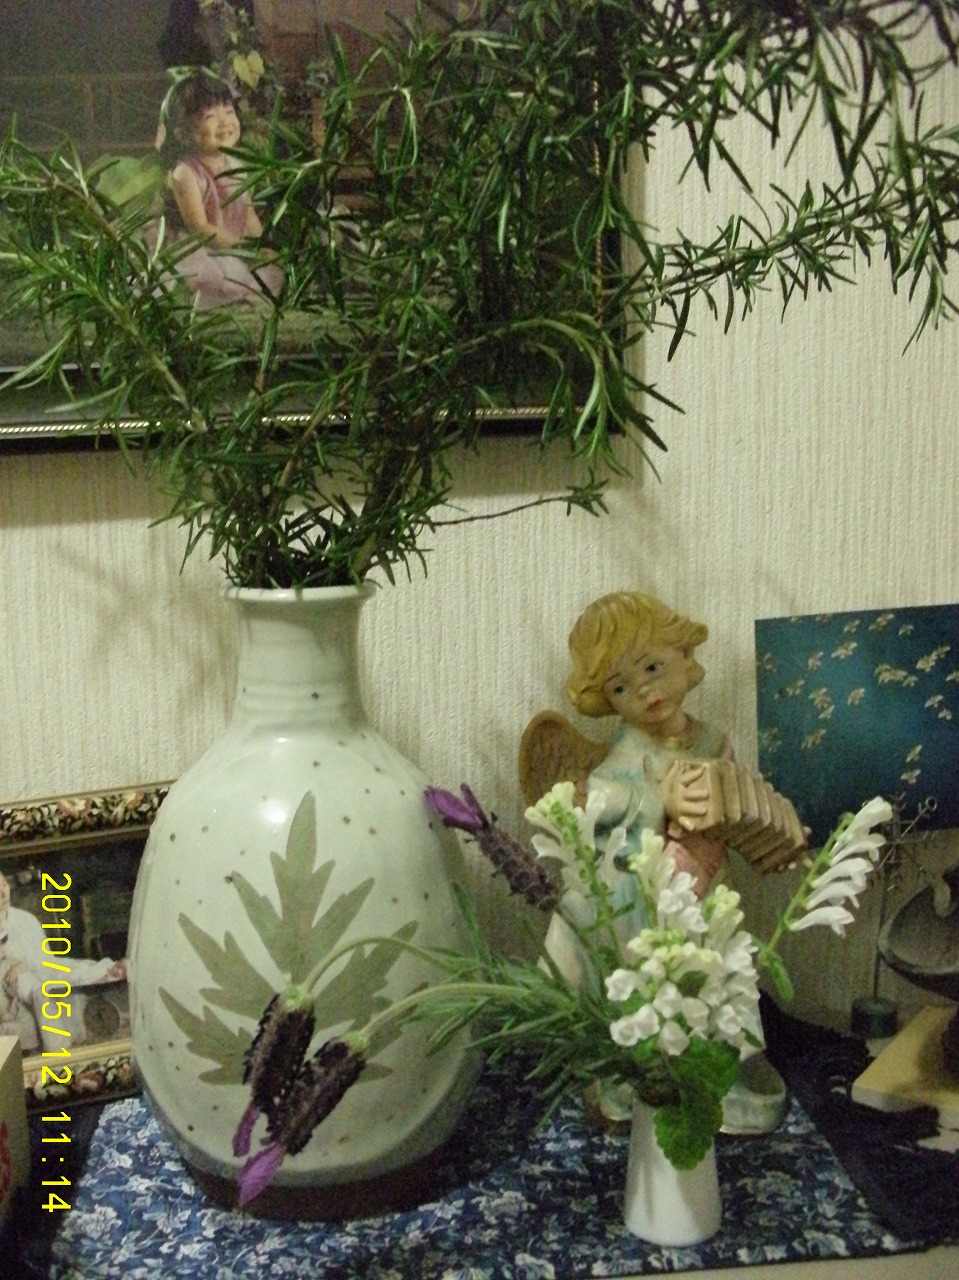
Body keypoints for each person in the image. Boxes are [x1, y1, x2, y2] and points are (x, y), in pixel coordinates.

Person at [566, 591, 733, 901]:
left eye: (652, 668)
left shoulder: (713, 740)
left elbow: (736, 811)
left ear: (685, 654)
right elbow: (602, 805)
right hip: (655, 895)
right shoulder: (627, 756)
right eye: (620, 687)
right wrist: (661, 800)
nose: (643, 689)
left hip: (713, 884)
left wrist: (768, 841)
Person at [153, 68, 282, 309]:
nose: (224, 122)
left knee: (271, 272)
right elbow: (199, 228)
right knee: (219, 278)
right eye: (210, 116)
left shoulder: (237, 165)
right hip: (202, 249)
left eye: (229, 111)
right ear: (183, 133)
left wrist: (261, 247)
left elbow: (248, 214)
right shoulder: (186, 173)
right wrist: (241, 249)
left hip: (235, 244)